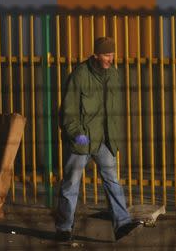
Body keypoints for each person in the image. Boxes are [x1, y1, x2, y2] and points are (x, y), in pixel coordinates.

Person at [55, 37, 142, 242]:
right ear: (95, 55)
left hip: (104, 139)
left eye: (112, 54)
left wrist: (113, 136)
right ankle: (64, 228)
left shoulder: (113, 74)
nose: (110, 58)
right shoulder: (80, 75)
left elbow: (113, 110)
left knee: (112, 181)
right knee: (71, 184)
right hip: (83, 140)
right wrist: (79, 136)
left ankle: (122, 224)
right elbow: (68, 111)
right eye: (106, 54)